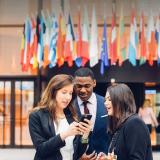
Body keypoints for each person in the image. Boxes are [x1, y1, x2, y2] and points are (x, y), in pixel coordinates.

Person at [29, 74, 92, 160]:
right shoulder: (37, 115)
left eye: (70, 93)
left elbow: (78, 153)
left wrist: (85, 135)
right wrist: (65, 134)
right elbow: (41, 150)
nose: (68, 97)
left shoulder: (72, 114)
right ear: (53, 92)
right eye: (64, 92)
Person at [97, 83, 153, 160]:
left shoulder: (134, 123)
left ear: (121, 100)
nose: (105, 103)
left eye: (110, 99)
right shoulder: (120, 124)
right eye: (105, 100)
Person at [74, 67, 109, 160]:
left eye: (87, 86)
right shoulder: (68, 106)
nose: (82, 90)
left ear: (94, 83)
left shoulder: (106, 103)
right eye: (79, 86)